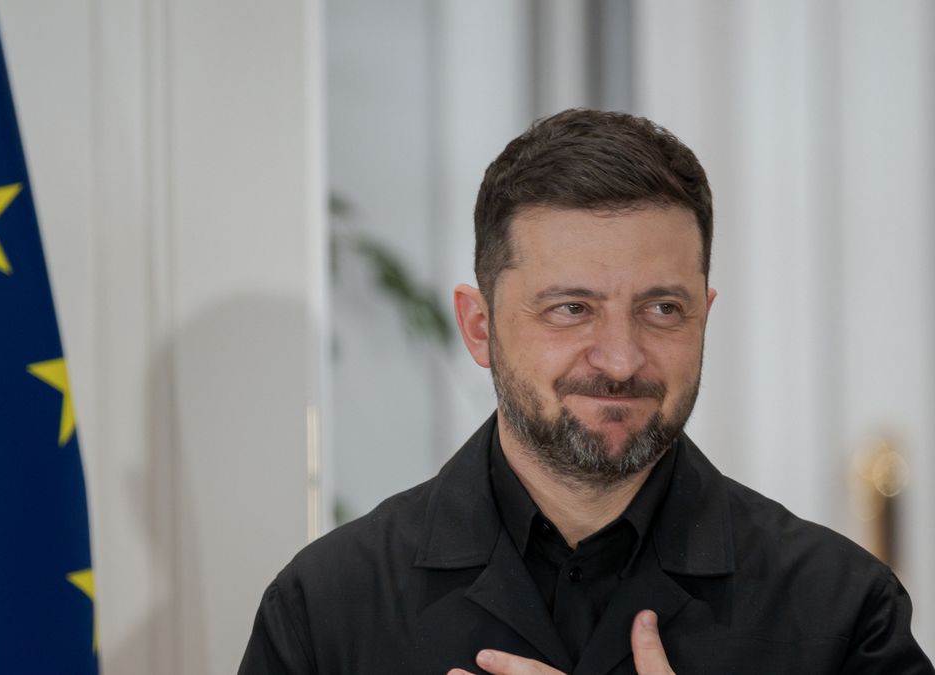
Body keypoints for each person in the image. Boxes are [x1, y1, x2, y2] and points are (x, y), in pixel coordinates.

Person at [238, 109, 934, 674]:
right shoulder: (326, 610)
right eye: (570, 307)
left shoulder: (841, 613)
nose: (621, 358)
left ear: (704, 315)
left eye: (663, 308)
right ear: (479, 327)